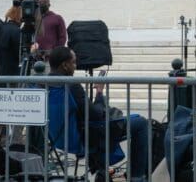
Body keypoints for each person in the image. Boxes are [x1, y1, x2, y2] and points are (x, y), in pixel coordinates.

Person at [48, 47, 150, 182]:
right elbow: (95, 115)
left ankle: (103, 171)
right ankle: (136, 177)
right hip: (84, 136)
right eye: (73, 62)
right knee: (142, 123)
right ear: (65, 65)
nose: (75, 66)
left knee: (109, 117)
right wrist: (100, 93)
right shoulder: (71, 85)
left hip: (57, 138)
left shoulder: (42, 84)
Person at [0, 5, 22, 76]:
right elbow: (19, 54)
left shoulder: (1, 28)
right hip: (13, 74)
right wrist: (31, 51)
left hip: (0, 72)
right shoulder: (17, 31)